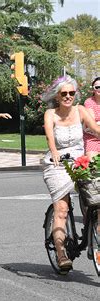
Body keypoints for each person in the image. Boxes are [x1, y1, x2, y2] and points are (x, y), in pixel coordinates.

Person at [42, 75, 100, 272]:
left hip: (78, 160)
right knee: (62, 209)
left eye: (71, 93)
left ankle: (93, 236)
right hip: (57, 162)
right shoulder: (50, 114)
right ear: (57, 96)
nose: (68, 96)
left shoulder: (81, 110)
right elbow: (50, 137)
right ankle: (61, 253)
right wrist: (55, 152)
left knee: (95, 199)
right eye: (64, 93)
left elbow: (95, 129)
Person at [83, 77, 100, 160]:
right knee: (92, 163)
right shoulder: (89, 102)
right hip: (92, 138)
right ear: (93, 89)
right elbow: (91, 124)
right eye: (97, 87)